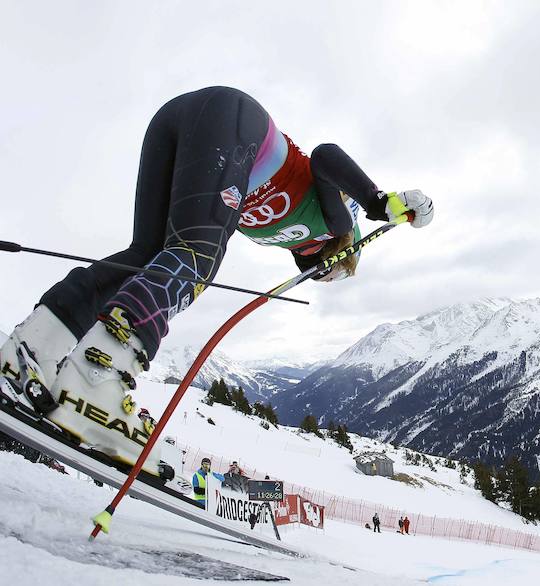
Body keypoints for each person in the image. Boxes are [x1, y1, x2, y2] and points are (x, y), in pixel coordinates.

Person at [0, 87, 433, 477]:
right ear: (345, 249)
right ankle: (94, 385)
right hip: (234, 123)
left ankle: (32, 348)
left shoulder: (285, 239)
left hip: (183, 121)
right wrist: (377, 203)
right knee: (198, 256)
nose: (327, 275)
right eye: (336, 270)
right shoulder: (332, 221)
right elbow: (325, 154)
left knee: (146, 256)